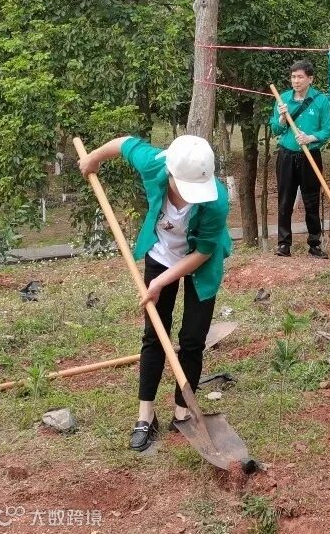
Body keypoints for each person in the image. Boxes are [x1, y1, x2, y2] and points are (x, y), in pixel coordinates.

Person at [79, 134, 231, 451]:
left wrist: (161, 283)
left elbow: (203, 252)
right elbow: (125, 144)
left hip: (201, 264)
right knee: (154, 334)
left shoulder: (216, 199)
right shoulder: (155, 163)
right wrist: (93, 158)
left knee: (193, 338)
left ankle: (182, 410)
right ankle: (146, 414)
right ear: (170, 173)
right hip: (160, 254)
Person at [269, 60, 330, 258]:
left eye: (300, 77)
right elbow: (275, 129)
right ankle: (283, 244)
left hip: (310, 155)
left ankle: (314, 244)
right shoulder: (283, 99)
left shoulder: (320, 101)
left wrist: (310, 138)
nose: (296, 81)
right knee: (285, 200)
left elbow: (327, 129)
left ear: (310, 79)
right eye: (293, 77)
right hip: (287, 155)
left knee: (311, 201)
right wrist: (282, 118)